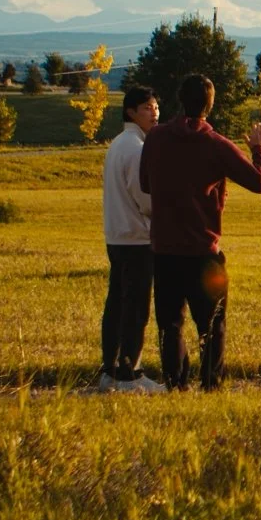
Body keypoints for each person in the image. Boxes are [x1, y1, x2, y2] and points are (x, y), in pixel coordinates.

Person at [139, 74, 261, 391]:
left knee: (170, 324)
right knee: (212, 324)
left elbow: (145, 184)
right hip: (203, 252)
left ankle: (176, 383)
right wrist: (259, 149)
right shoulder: (216, 145)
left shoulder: (156, 138)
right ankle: (211, 384)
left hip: (165, 250)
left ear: (180, 100)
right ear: (211, 105)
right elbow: (259, 182)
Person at [99, 86, 164, 393]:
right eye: (147, 108)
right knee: (136, 307)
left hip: (116, 235)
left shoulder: (118, 144)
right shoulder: (137, 148)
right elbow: (146, 199)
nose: (154, 113)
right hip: (137, 238)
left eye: (155, 107)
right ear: (131, 113)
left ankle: (109, 370)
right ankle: (130, 373)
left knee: (117, 304)